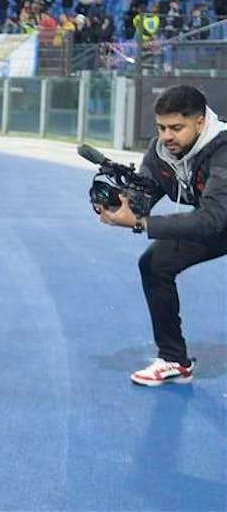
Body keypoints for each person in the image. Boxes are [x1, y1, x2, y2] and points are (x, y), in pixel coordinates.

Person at [96, 85, 227, 386]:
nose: (167, 136)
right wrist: (118, 202)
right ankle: (174, 360)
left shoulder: (223, 150)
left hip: (216, 218)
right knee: (155, 264)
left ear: (200, 123)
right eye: (161, 127)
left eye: (176, 128)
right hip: (217, 220)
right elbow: (144, 196)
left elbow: (211, 220)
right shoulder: (161, 152)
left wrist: (141, 223)